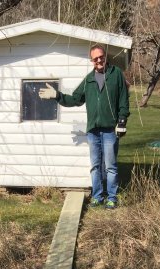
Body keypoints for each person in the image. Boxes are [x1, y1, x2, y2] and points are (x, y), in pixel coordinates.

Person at [39, 44, 129, 209]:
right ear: (92, 61)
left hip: (110, 129)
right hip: (93, 131)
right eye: (95, 59)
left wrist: (122, 121)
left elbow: (123, 98)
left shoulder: (116, 74)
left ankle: (112, 198)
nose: (99, 60)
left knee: (110, 166)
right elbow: (75, 99)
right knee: (95, 166)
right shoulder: (88, 80)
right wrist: (57, 95)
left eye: (101, 57)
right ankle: (97, 196)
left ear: (105, 56)